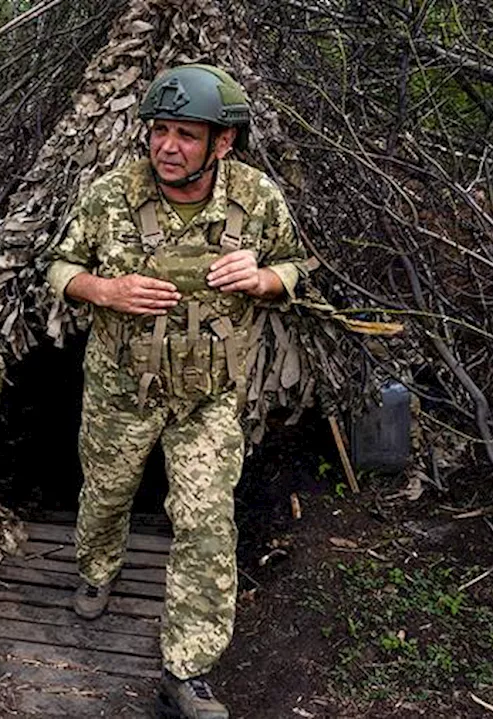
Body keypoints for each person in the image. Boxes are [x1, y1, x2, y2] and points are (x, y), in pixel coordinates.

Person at [44, 65, 309, 719]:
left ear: (223, 142)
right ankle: (97, 567)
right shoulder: (111, 195)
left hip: (210, 397)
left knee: (205, 523)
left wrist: (266, 276)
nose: (167, 145)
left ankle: (185, 671)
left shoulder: (257, 198)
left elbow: (297, 265)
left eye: (185, 134)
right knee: (105, 493)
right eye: (159, 130)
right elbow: (59, 265)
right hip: (120, 387)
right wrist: (104, 290)